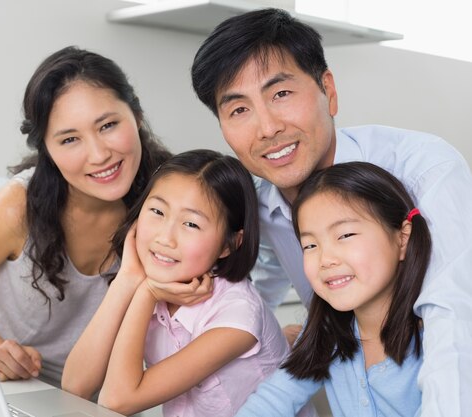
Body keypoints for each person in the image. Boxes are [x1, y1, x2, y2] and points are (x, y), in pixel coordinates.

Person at [191, 8, 472, 415]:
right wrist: (264, 333)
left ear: (329, 90)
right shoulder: (258, 201)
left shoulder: (424, 169)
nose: (267, 128)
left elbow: (454, 320)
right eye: (239, 110)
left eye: (281, 94)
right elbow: (260, 279)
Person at [0, 46, 173, 387]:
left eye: (107, 125)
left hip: (111, 398)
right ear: (46, 148)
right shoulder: (17, 207)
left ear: (135, 114)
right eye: (70, 139)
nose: (99, 154)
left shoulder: (170, 199)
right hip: (17, 388)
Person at [64, 149, 315, 417]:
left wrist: (146, 294)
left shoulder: (237, 315)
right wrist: (127, 280)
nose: (165, 238)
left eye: (191, 224)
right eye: (157, 211)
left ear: (229, 244)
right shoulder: (154, 283)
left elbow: (116, 400)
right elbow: (75, 385)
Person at [236, 161, 431, 416]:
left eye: (345, 235)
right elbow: (274, 399)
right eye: (310, 245)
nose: (326, 259)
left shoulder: (438, 337)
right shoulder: (328, 328)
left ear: (402, 237)